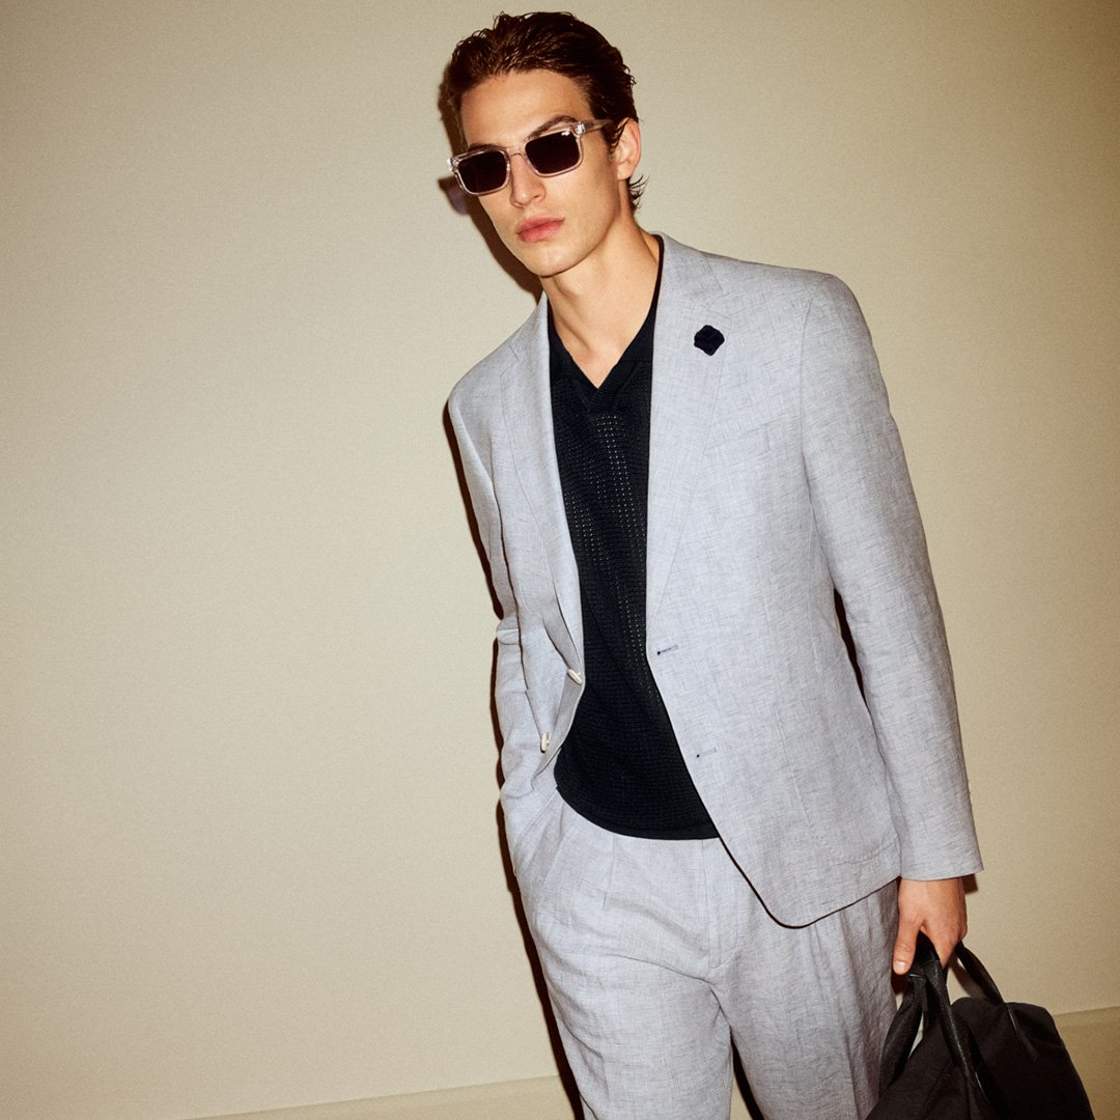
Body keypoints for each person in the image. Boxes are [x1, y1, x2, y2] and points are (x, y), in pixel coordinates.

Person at [440, 12, 983, 1120]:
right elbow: (520, 625)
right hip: (599, 872)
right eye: (486, 166)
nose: (522, 189)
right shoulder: (483, 404)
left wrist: (935, 851)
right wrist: (533, 825)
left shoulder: (796, 325)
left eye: (553, 146)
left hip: (799, 864)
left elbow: (889, 598)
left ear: (622, 145)